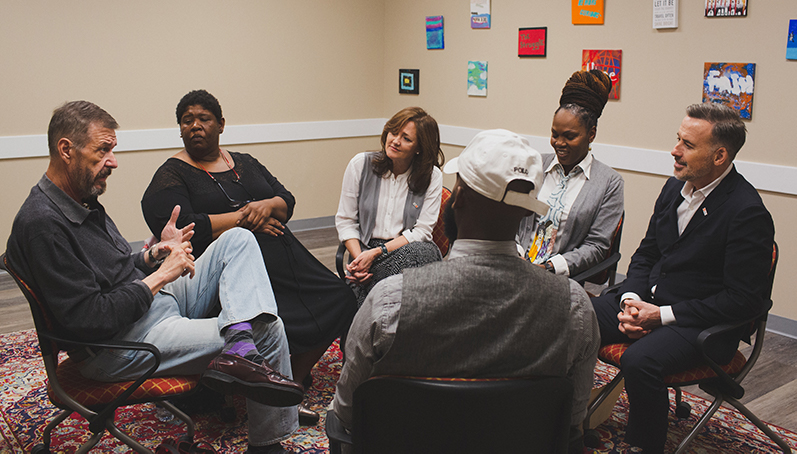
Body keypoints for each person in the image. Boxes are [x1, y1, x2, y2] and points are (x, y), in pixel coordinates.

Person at [6, 101, 304, 454]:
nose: (113, 161)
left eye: (112, 150)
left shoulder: (78, 198)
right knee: (267, 330)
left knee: (238, 238)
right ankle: (267, 446)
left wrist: (153, 254)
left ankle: (237, 346)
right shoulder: (43, 224)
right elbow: (90, 319)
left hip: (148, 309)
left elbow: (110, 270)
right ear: (66, 150)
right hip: (120, 346)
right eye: (103, 150)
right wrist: (160, 277)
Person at [332, 129, 600, 451]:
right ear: (528, 211)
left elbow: (346, 413)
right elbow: (571, 422)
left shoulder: (391, 300)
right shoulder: (574, 307)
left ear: (456, 198)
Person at [141, 89, 357, 425]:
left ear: (221, 124)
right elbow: (182, 226)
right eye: (187, 120)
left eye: (204, 118)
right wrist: (245, 217)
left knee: (342, 298)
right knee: (272, 322)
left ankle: (292, 383)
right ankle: (264, 380)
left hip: (288, 258)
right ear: (180, 129)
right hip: (234, 272)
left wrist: (267, 207)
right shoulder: (173, 173)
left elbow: (285, 199)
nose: (195, 125)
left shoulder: (244, 162)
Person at [591, 103, 774, 453]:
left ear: (719, 155)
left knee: (639, 360)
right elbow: (646, 254)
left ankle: (646, 446)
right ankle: (572, 414)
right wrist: (632, 302)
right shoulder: (675, 189)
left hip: (701, 324)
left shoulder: (746, 211)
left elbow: (743, 300)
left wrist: (660, 316)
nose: (675, 150)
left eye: (688, 145)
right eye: (678, 139)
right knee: (576, 316)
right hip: (649, 303)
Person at [518, 70, 624, 278]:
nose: (559, 143)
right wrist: (516, 256)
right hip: (516, 263)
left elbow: (597, 246)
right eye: (554, 134)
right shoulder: (535, 163)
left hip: (558, 277)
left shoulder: (610, 183)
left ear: (591, 134)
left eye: (570, 136)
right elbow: (510, 217)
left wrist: (549, 268)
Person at [335, 107, 444, 305]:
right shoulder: (360, 165)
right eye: (394, 132)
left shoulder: (432, 176)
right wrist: (360, 260)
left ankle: (367, 311)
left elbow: (422, 232)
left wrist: (378, 253)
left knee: (417, 254)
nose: (395, 141)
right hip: (365, 248)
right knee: (400, 292)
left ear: (418, 148)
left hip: (409, 248)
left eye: (406, 138)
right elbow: (345, 221)